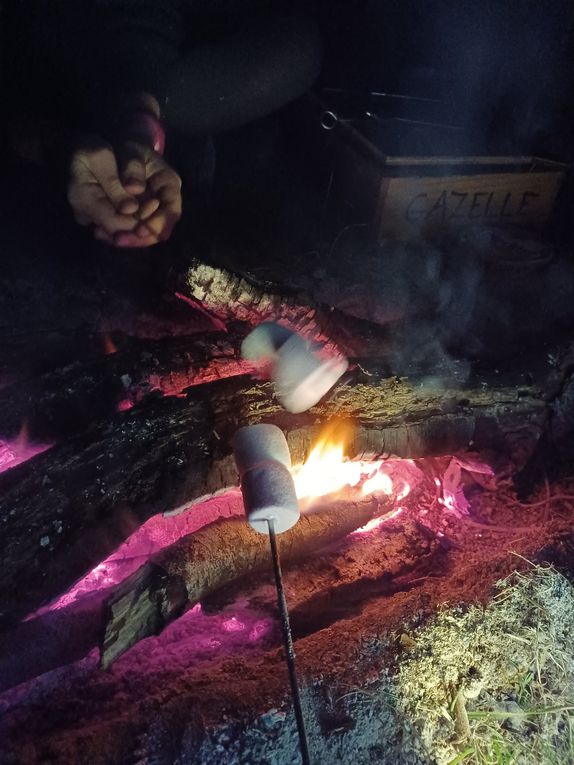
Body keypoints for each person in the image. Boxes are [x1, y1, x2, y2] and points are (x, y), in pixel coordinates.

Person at [2, 1, 323, 249]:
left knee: (297, 50)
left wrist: (138, 122)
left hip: (143, 57)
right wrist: (55, 144)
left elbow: (145, 14)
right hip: (41, 79)